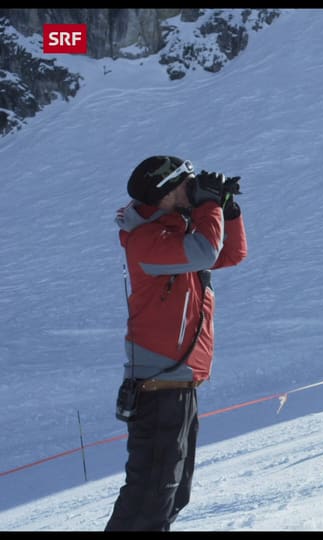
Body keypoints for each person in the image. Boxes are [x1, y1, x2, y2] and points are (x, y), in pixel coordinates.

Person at [106, 155, 248, 531]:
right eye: (187, 183)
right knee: (149, 498)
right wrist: (208, 205)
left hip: (177, 385)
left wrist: (227, 210)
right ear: (165, 191)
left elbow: (230, 254)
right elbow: (206, 252)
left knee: (171, 495)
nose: (194, 187)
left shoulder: (176, 233)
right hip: (158, 386)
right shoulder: (147, 241)